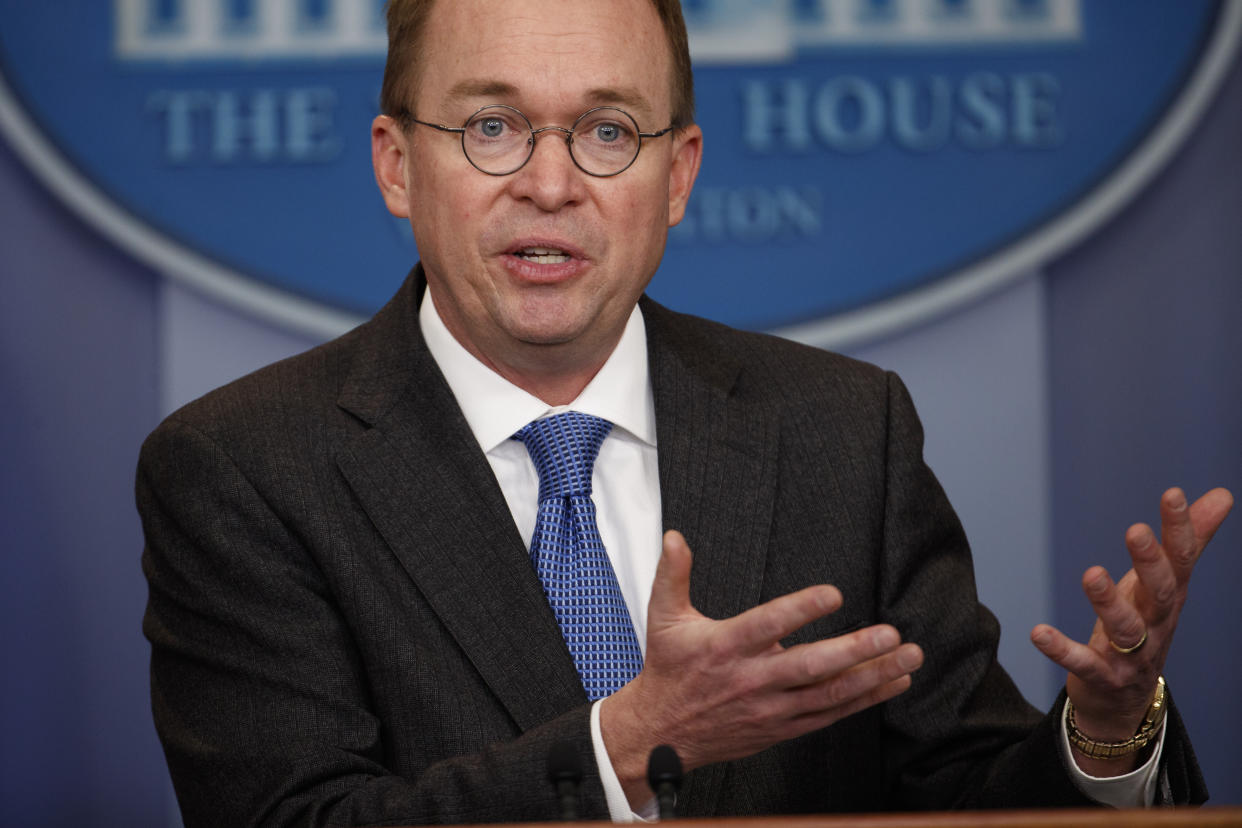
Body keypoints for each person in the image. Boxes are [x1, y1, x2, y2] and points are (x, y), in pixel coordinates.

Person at [137, 0, 1233, 825]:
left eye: (608, 132)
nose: (552, 184)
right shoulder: (242, 469)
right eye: (491, 126)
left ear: (678, 175)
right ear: (395, 164)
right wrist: (625, 746)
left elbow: (965, 798)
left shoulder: (844, 432)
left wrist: (1101, 736)